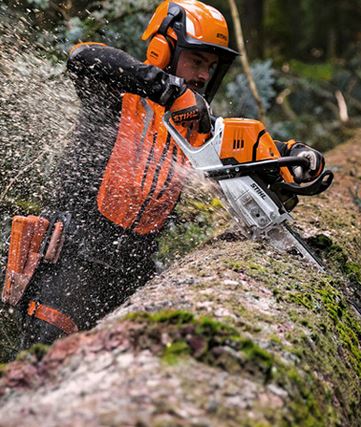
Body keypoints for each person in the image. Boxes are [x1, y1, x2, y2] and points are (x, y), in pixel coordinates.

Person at [1, 0, 325, 348]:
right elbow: (84, 57)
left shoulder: (193, 127)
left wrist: (291, 156)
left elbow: (240, 144)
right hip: (68, 269)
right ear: (163, 50)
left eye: (211, 66)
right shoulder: (114, 96)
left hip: (132, 277)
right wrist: (166, 89)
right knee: (45, 366)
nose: (203, 75)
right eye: (196, 61)